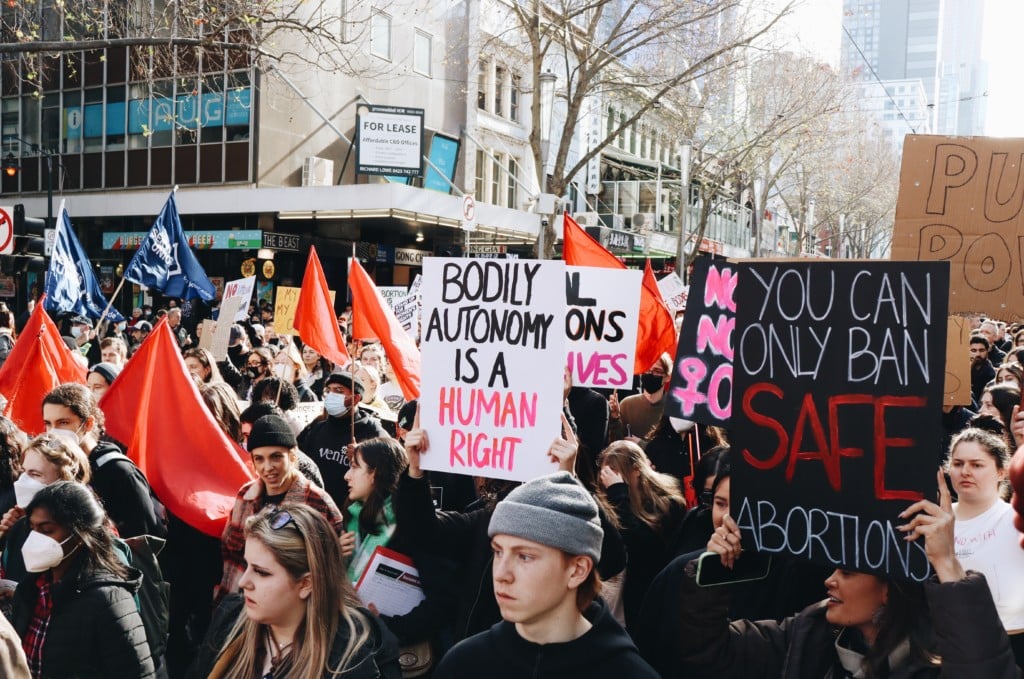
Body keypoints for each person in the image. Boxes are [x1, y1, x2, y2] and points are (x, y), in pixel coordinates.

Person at [651, 470, 1019, 679]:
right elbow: (711, 653)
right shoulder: (808, 633)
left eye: (847, 571)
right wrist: (715, 569)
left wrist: (947, 562)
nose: (830, 580)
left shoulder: (940, 657)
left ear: (889, 588)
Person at [434, 472, 660, 678]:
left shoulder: (629, 672)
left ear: (578, 570)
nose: (502, 574)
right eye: (498, 551)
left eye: (525, 556)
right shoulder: (463, 665)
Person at [190, 504, 401, 679]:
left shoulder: (350, 658)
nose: (244, 582)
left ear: (306, 584)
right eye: (247, 566)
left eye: (261, 572)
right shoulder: (231, 618)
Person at [10, 481, 155, 678]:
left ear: (79, 534)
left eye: (47, 530)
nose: (36, 538)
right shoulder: (31, 589)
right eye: (33, 528)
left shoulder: (109, 601)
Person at [216, 414, 344, 603]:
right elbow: (229, 551)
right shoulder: (245, 495)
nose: (267, 467)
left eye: (276, 457)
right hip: (236, 602)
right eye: (259, 459)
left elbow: (330, 570)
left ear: (292, 457)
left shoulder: (318, 503)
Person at [42, 383, 165, 539]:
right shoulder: (58, 466)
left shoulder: (119, 471)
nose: (53, 432)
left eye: (63, 422)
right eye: (48, 424)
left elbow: (145, 538)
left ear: (88, 424)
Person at [947, 428, 1024, 666]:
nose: (965, 472)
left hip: (1014, 644)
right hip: (953, 645)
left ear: (1001, 471)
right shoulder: (936, 520)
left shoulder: (1015, 519)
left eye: (977, 465)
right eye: (958, 463)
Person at [597, 440, 687, 634]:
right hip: (621, 602)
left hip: (652, 598)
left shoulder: (667, 503)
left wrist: (619, 494)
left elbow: (642, 546)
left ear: (636, 470)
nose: (608, 481)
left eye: (615, 473)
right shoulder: (609, 501)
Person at [297, 371, 389, 509]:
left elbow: (389, 472)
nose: (331, 395)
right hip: (315, 508)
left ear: (356, 398)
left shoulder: (374, 432)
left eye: (339, 391)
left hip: (352, 512)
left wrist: (363, 457)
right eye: (329, 391)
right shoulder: (317, 428)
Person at [608, 353, 672, 444]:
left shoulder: (672, 408)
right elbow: (616, 444)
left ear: (667, 377)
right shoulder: (627, 405)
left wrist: (641, 444)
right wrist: (614, 419)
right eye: (646, 370)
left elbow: (670, 448)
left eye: (657, 371)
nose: (650, 374)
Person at [971, 335, 996, 404]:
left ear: (987, 351)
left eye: (981, 350)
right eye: (973, 350)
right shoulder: (963, 368)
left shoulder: (991, 374)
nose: (977, 354)